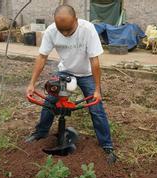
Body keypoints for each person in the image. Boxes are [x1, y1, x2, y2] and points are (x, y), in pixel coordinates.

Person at [25, 4, 116, 164]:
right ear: (55, 23)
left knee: (96, 108)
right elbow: (42, 57)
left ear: (76, 19)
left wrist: (96, 89)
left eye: (69, 29)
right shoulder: (51, 31)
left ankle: (106, 145)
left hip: (87, 73)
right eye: (62, 30)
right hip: (65, 71)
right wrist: (32, 84)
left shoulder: (88, 30)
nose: (65, 34)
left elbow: (94, 61)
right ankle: (40, 133)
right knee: (50, 101)